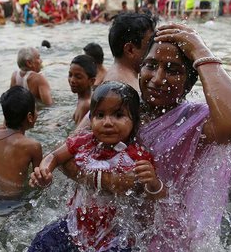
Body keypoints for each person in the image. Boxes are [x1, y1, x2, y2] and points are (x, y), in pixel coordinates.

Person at [32, 23, 231, 250]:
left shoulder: (195, 121)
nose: (157, 78)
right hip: (97, 222)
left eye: (173, 70)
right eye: (151, 65)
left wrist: (200, 51)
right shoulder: (118, 108)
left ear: (191, 82)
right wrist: (112, 183)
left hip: (158, 237)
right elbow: (68, 154)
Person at [28, 81, 164, 251]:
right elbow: (54, 156)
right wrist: (44, 171)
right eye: (100, 115)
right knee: (41, 242)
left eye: (118, 115)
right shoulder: (84, 142)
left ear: (135, 121)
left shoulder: (137, 156)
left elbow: (156, 197)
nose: (107, 122)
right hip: (75, 225)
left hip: (115, 235)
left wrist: (153, 183)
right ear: (91, 119)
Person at [104, 13, 157, 91]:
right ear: (130, 50)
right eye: (150, 43)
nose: (155, 48)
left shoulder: (116, 79)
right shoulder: (124, 87)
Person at [68, 55, 96, 124]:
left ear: (91, 81)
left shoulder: (86, 105)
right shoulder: (84, 99)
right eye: (70, 75)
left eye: (78, 77)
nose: (72, 80)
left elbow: (77, 134)